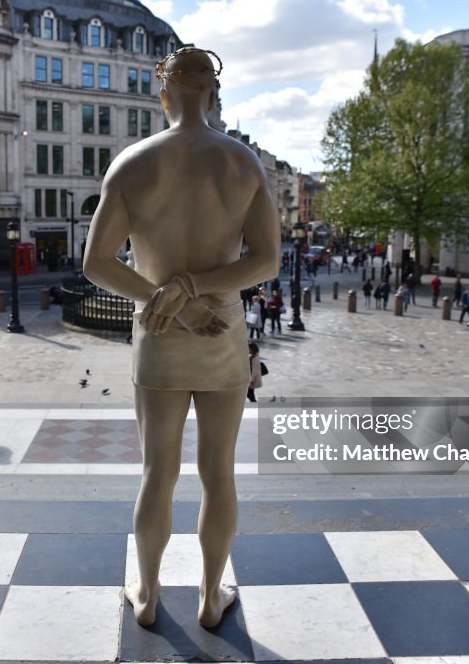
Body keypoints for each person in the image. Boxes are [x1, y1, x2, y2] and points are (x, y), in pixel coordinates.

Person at [81, 47, 280, 628]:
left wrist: (170, 297)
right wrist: (199, 292)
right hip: (222, 334)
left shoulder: (133, 163)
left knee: (156, 473)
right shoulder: (242, 164)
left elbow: (97, 263)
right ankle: (210, 597)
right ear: (213, 93)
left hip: (160, 333)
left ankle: (146, 595)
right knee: (218, 474)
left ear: (161, 93)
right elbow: (266, 262)